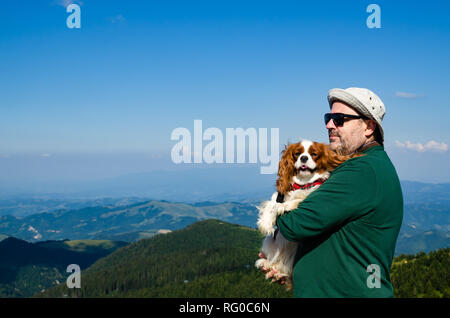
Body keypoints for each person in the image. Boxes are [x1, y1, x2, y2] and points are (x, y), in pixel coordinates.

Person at [259, 87, 403, 297]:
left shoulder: (362, 171)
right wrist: (284, 260)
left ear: (369, 127)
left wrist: (279, 200)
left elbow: (294, 225)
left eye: (339, 119)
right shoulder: (368, 166)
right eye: (328, 117)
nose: (329, 125)